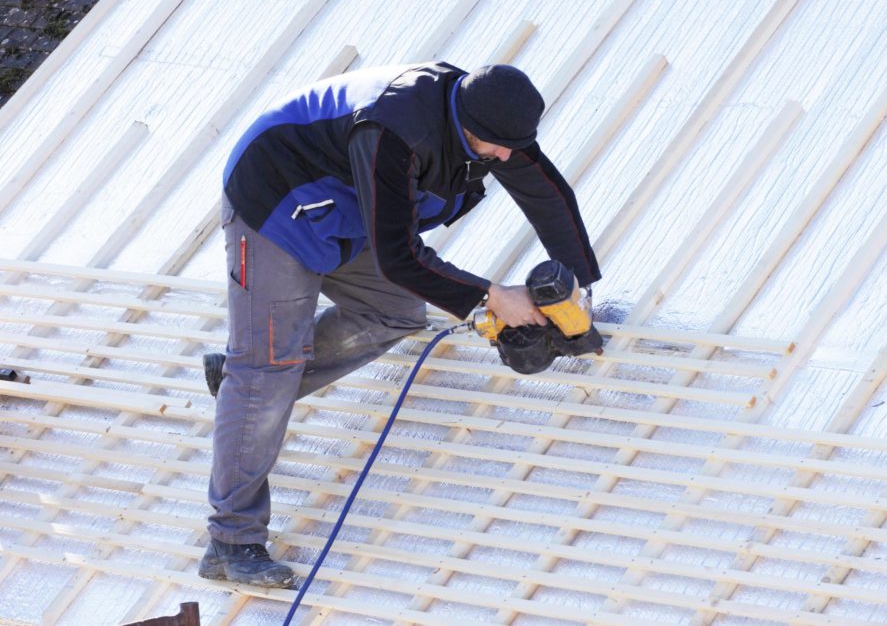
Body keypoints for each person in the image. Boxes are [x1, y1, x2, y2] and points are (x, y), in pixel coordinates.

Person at [197, 62, 601, 588]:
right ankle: (232, 541)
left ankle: (241, 389)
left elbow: (545, 194)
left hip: (345, 210)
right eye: (497, 148)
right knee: (268, 367)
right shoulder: (392, 131)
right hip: (277, 202)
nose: (506, 158)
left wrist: (581, 290)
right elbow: (399, 257)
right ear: (467, 125)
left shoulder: (493, 116)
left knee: (395, 313)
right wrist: (491, 296)